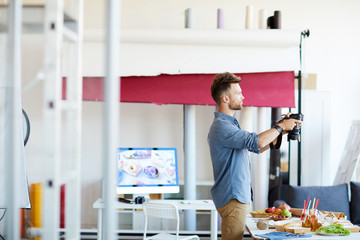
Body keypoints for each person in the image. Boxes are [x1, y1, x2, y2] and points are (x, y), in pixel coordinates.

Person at [207, 72, 302, 240]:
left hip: (235, 197)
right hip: (233, 198)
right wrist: (280, 126)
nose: (243, 96)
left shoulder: (230, 125)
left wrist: (283, 132)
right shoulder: (222, 127)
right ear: (225, 99)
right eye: (238, 93)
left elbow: (257, 147)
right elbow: (256, 142)